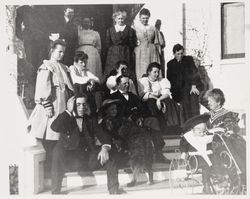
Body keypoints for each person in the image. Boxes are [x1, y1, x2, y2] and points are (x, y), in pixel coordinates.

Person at [50, 94, 125, 195]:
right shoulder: (67, 118)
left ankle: (114, 191)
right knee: (57, 151)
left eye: (84, 104)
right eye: (78, 104)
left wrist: (105, 148)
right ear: (73, 105)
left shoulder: (90, 120)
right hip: (71, 161)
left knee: (109, 152)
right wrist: (68, 111)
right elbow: (54, 127)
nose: (81, 107)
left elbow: (104, 136)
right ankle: (55, 193)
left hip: (88, 159)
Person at [28, 39, 74, 174]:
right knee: (51, 137)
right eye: (59, 51)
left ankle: (57, 168)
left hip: (62, 105)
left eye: (63, 52)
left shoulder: (63, 67)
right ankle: (50, 169)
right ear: (52, 51)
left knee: (59, 138)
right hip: (52, 107)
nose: (61, 54)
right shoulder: (47, 66)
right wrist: (47, 106)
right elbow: (42, 87)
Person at [110, 75, 167, 162]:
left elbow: (142, 109)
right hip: (123, 123)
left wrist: (139, 117)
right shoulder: (113, 97)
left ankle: (159, 152)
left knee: (153, 121)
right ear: (118, 85)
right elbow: (112, 113)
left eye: (128, 83)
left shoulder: (133, 96)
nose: (127, 85)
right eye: (124, 83)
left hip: (137, 120)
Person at [206, 88, 246, 184]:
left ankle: (237, 179)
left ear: (218, 102)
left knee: (234, 152)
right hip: (211, 141)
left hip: (224, 141)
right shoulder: (207, 115)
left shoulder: (226, 114)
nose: (208, 103)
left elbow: (232, 126)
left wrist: (229, 130)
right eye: (208, 101)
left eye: (210, 101)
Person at [138, 62, 180, 132]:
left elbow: (166, 93)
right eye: (154, 72)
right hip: (147, 100)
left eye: (158, 72)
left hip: (159, 98)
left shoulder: (161, 81)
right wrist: (156, 99)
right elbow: (144, 95)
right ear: (149, 72)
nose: (157, 74)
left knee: (170, 101)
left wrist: (159, 100)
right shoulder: (143, 81)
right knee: (151, 102)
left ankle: (171, 126)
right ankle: (157, 128)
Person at [167, 44, 204, 123]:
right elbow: (170, 79)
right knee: (185, 102)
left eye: (181, 53)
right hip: (179, 89)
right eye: (178, 54)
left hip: (192, 86)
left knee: (193, 100)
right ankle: (188, 125)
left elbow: (195, 72)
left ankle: (196, 123)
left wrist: (193, 85)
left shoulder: (188, 60)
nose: (180, 56)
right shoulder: (170, 64)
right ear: (174, 54)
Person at [179, 114, 215, 194]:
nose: (202, 134)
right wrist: (184, 153)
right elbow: (183, 146)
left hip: (208, 156)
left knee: (216, 160)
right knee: (205, 165)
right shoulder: (188, 137)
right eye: (199, 132)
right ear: (192, 130)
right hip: (195, 158)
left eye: (204, 131)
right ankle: (206, 185)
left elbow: (210, 146)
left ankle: (216, 178)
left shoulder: (206, 136)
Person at [105, 10, 136, 76]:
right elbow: (107, 44)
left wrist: (127, 51)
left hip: (125, 53)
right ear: (115, 19)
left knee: (125, 70)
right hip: (113, 54)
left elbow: (131, 44)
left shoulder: (129, 29)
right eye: (119, 18)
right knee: (114, 71)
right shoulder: (110, 30)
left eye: (122, 18)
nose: (121, 20)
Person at [134, 8, 160, 79]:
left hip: (152, 51)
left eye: (146, 18)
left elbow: (157, 41)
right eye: (143, 18)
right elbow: (133, 41)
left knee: (154, 69)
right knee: (142, 70)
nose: (145, 20)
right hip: (140, 52)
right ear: (139, 18)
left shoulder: (153, 28)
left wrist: (158, 54)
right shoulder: (136, 28)